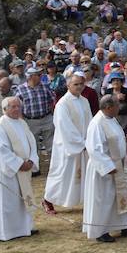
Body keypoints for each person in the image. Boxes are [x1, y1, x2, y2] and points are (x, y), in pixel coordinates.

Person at [83, 94, 127, 242]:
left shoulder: (111, 119)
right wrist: (107, 166)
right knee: (104, 200)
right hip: (105, 169)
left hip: (118, 166)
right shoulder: (97, 123)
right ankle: (100, 231)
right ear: (108, 107)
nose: (120, 108)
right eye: (117, 105)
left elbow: (113, 139)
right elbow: (94, 149)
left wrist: (124, 140)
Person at [0, 97, 39, 241]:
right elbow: (0, 150)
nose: (17, 109)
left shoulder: (22, 123)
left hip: (23, 169)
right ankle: (3, 231)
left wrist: (31, 160)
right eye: (13, 107)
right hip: (6, 171)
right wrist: (19, 164)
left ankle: (24, 227)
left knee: (21, 201)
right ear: (5, 109)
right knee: (6, 202)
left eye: (18, 106)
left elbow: (32, 143)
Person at [42, 71, 92, 215]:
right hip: (67, 145)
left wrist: (89, 139)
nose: (79, 87)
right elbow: (64, 126)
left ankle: (83, 198)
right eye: (76, 84)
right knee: (62, 173)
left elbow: (89, 121)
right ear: (68, 85)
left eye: (82, 84)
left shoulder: (84, 101)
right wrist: (80, 142)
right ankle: (48, 199)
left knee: (80, 174)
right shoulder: (63, 103)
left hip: (83, 144)